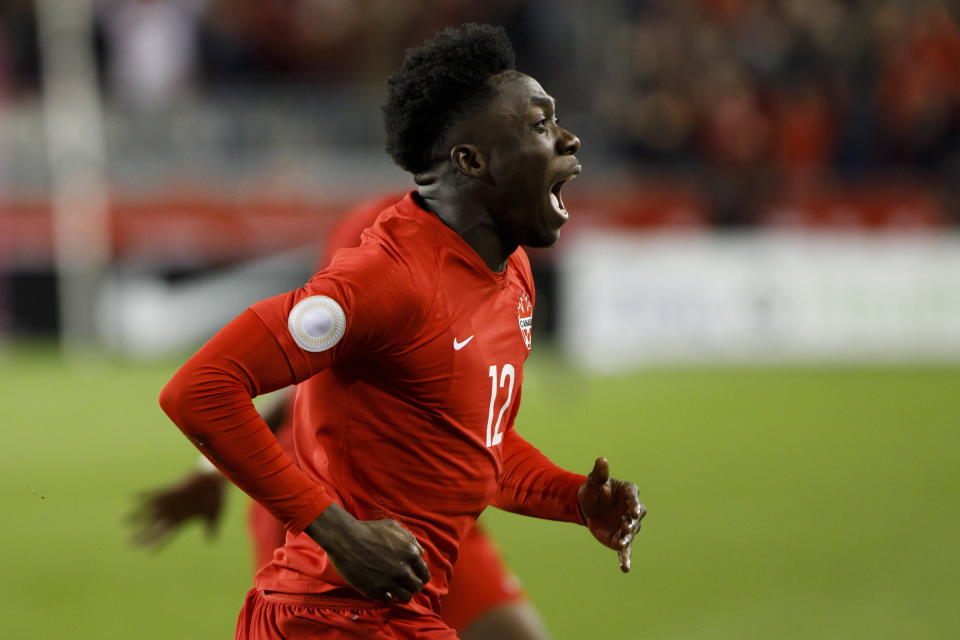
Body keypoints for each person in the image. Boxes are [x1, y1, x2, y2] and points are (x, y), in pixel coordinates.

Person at [158, 23, 646, 639]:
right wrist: (335, 531)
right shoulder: (389, 275)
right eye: (540, 124)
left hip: (390, 612)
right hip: (331, 618)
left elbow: (475, 443)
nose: (569, 139)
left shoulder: (510, 270)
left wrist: (573, 500)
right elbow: (200, 387)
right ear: (472, 160)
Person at [132, 193, 555, 639]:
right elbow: (313, 361)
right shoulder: (379, 229)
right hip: (330, 500)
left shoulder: (488, 245)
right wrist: (217, 468)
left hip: (430, 501)